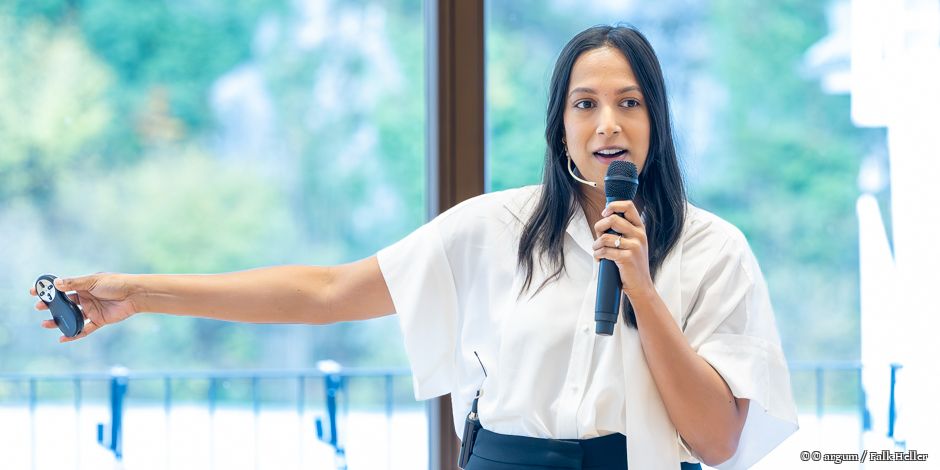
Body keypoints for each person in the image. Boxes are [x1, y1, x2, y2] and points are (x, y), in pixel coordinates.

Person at [30, 25, 798, 469]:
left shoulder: (714, 250)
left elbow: (716, 440)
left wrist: (642, 290)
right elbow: (328, 292)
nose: (607, 125)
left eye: (629, 103)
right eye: (584, 104)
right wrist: (141, 293)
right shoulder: (493, 227)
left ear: (656, 118)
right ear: (559, 126)